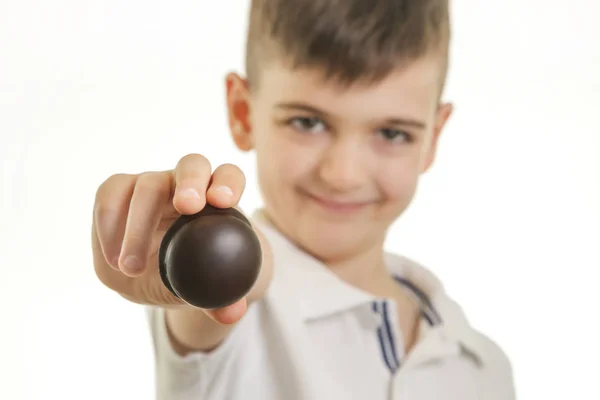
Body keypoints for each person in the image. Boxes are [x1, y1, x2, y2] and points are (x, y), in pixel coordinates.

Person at [92, 0, 515, 398]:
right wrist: (200, 268)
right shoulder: (235, 317)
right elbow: (240, 290)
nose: (343, 175)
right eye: (307, 122)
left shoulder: (481, 367)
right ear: (243, 112)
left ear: (433, 138)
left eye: (392, 133)